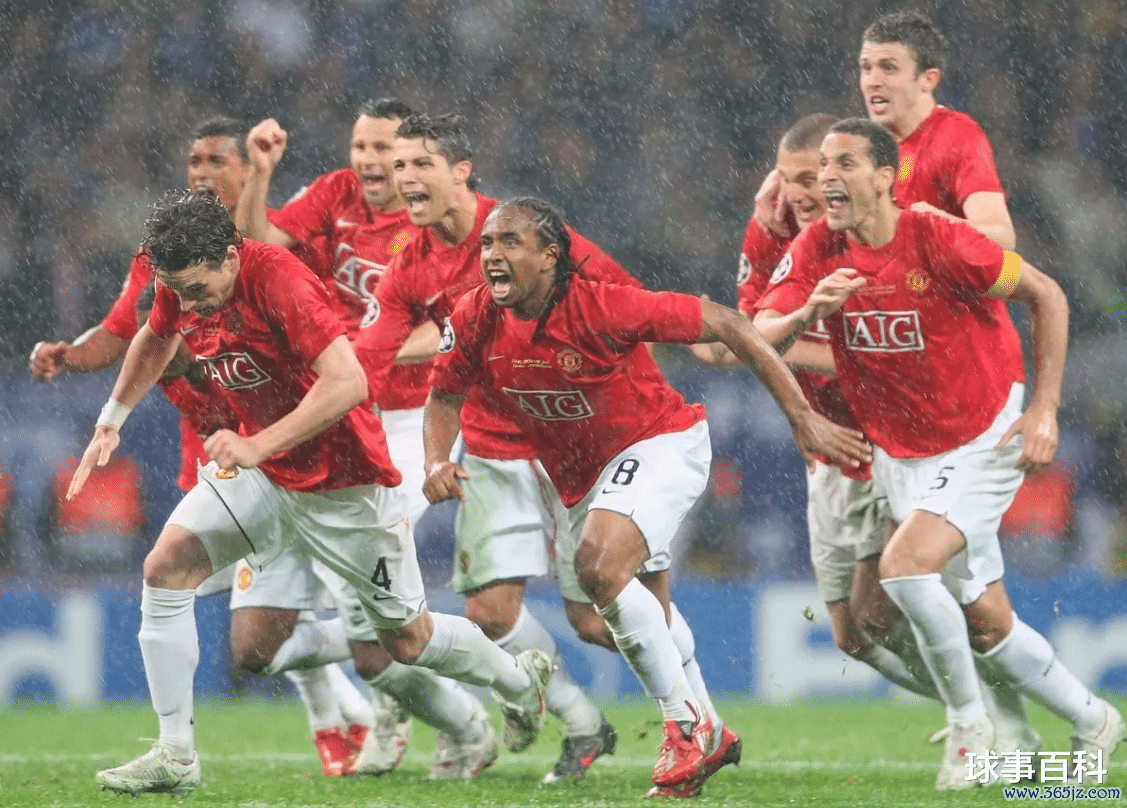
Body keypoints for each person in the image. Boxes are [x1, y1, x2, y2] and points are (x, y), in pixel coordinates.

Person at [77, 191, 551, 796]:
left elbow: (349, 382)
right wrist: (112, 419)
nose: (189, 304)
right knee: (165, 568)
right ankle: (175, 754)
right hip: (266, 476)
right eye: (178, 291)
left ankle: (517, 681)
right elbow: (155, 333)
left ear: (230, 256)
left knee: (408, 641)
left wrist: (257, 443)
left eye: (197, 290)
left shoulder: (280, 280)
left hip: (343, 482)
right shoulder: (184, 279)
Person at [421, 196, 872, 796]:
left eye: (510, 243)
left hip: (661, 445)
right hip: (583, 478)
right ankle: (710, 730)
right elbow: (444, 395)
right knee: (611, 616)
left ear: (550, 256)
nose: (492, 256)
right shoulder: (476, 315)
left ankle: (686, 727)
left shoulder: (602, 305)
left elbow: (728, 324)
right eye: (487, 244)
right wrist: (436, 459)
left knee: (598, 565)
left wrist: (801, 418)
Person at [753, 118, 1124, 789]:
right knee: (985, 622)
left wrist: (1043, 409)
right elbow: (759, 332)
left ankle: (968, 728)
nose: (828, 177)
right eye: (822, 166)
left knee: (903, 568)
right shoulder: (817, 247)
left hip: (982, 435)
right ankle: (1093, 717)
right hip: (902, 452)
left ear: (884, 178)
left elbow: (1046, 295)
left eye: (843, 164)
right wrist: (807, 313)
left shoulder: (937, 238)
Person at [27, 116, 386, 778]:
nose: (201, 171)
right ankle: (280, 725)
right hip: (230, 456)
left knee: (383, 628)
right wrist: (78, 366)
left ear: (247, 172)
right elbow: (130, 331)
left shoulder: (275, 256)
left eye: (217, 160)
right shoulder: (165, 265)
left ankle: (399, 686)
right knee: (218, 606)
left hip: (315, 450)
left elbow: (335, 362)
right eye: (194, 159)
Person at [355, 113, 628, 783]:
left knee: (595, 622)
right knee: (488, 613)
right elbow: (368, 355)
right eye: (398, 164)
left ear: (461, 172)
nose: (402, 176)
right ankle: (583, 722)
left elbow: (623, 297)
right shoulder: (409, 266)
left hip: (573, 439)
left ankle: (692, 711)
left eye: (419, 163)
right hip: (492, 446)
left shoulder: (522, 232)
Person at [237, 98, 495, 779]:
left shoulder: (438, 226)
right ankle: (407, 692)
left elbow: (456, 325)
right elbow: (257, 246)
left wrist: (367, 349)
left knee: (377, 549)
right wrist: (260, 174)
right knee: (361, 581)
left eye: (387, 150)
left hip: (412, 414)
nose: (372, 162)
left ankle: (404, 699)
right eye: (362, 147)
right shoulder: (334, 195)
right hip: (344, 408)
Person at [693, 113, 941, 703]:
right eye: (787, 179)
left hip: (891, 440)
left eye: (812, 178)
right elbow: (751, 337)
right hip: (829, 450)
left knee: (882, 608)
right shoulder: (768, 234)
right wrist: (743, 343)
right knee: (851, 636)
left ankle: (976, 707)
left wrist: (751, 344)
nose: (800, 193)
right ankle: (967, 695)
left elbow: (899, 355)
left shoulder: (880, 230)